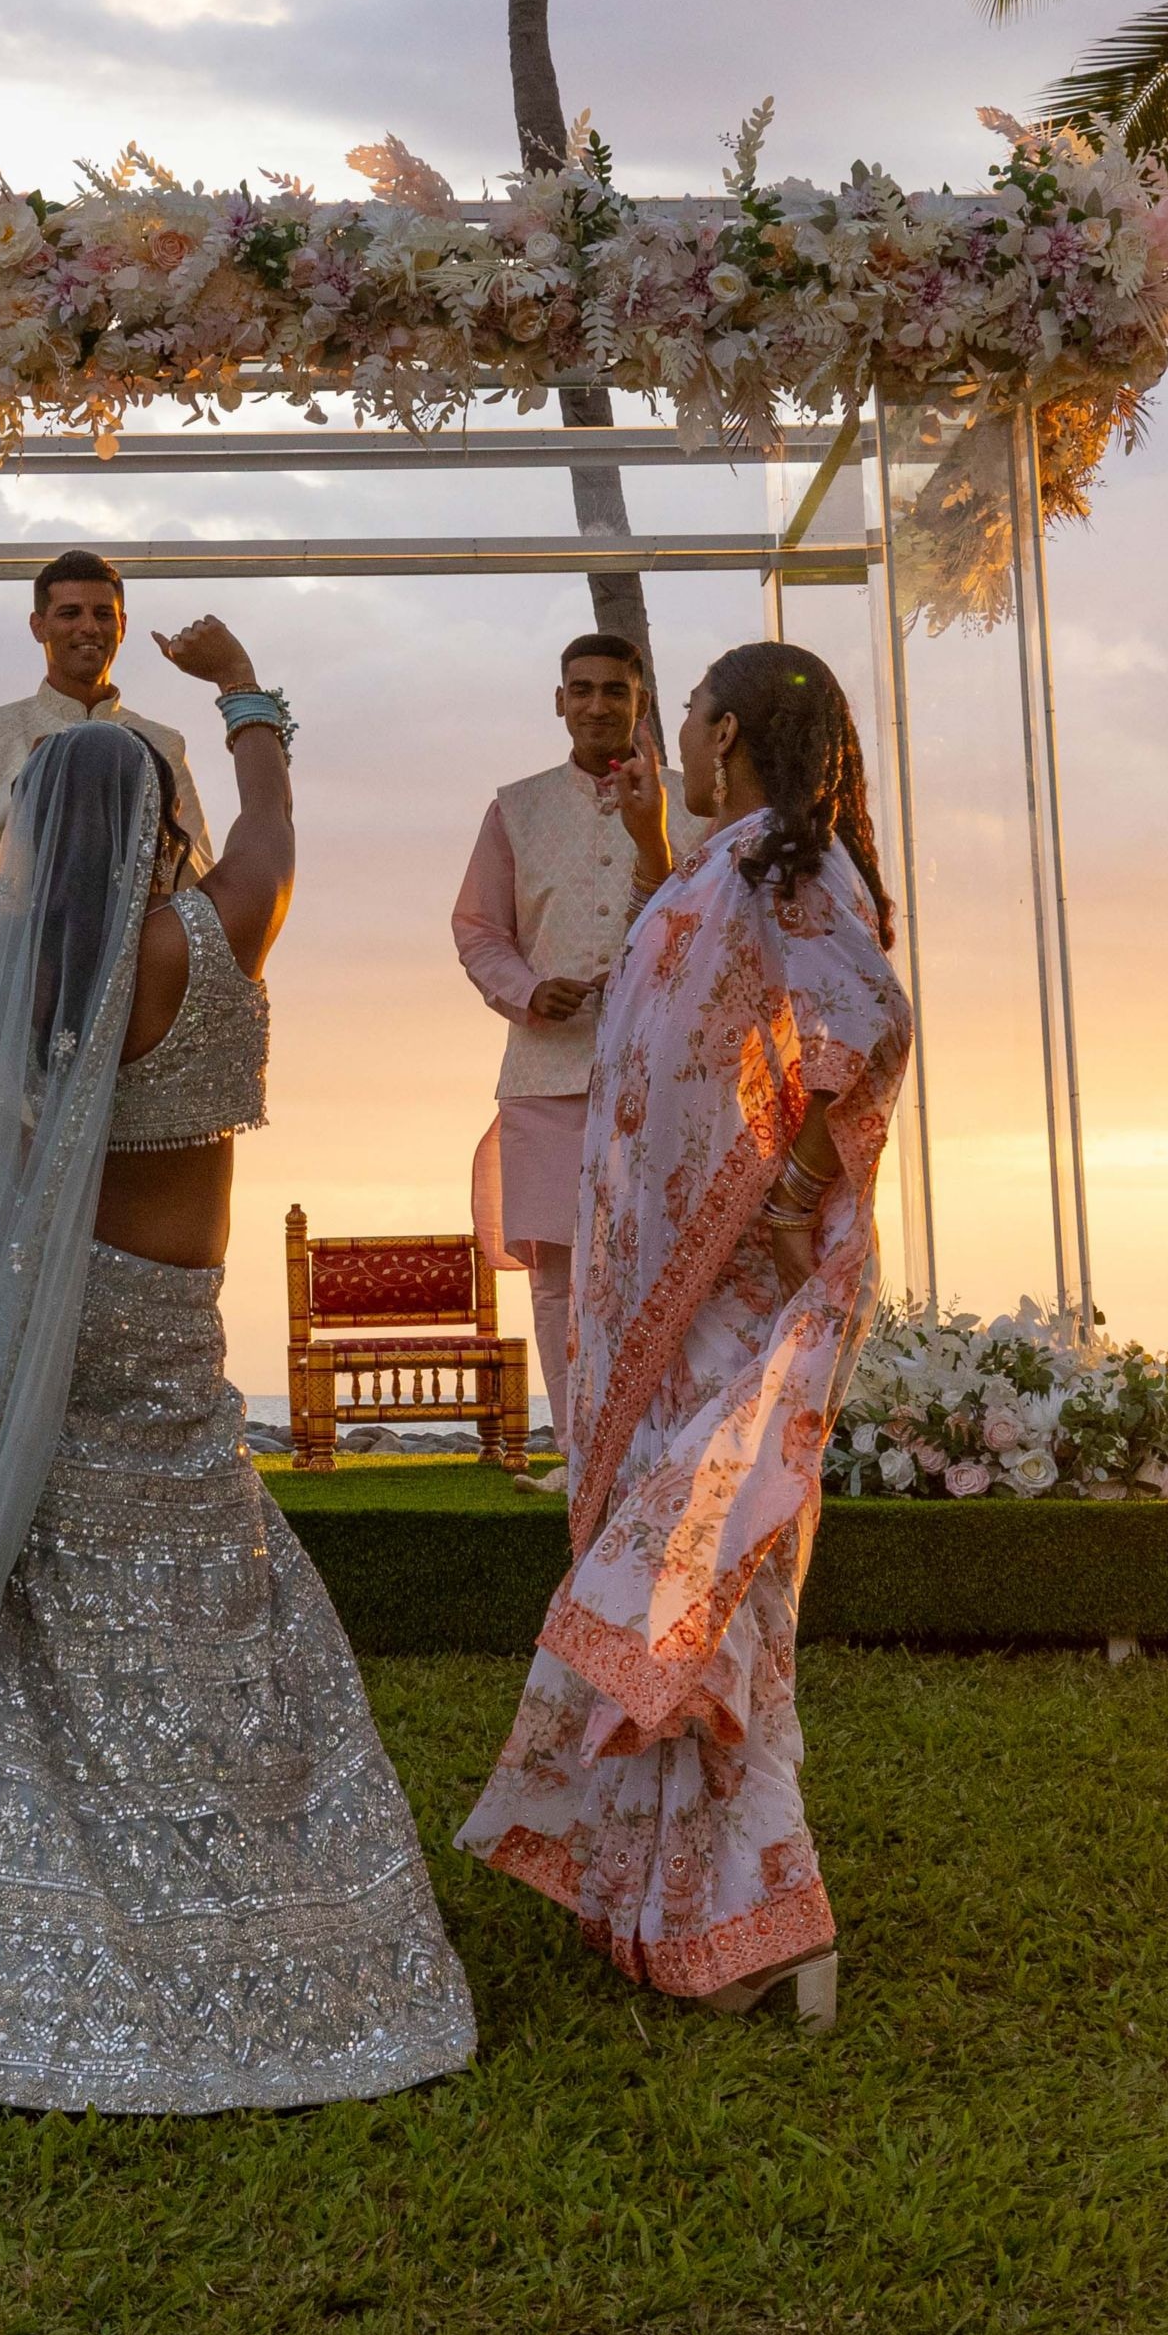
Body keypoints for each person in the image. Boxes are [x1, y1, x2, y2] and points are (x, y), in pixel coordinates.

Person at [0, 617, 477, 2116]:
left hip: (61, 1316)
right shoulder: (227, 930)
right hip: (178, 1323)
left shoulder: (38, 961)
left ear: (41, 835)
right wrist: (243, 697)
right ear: (169, 818)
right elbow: (274, 823)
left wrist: (38, 1140)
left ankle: (48, 1900)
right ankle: (266, 1895)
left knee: (52, 1598)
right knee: (210, 1574)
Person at [454, 641, 912, 2029]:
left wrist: (785, 1184)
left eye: (693, 715)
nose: (680, 734)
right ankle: (667, 1900)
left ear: (725, 733)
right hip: (668, 1296)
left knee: (714, 1592)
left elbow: (872, 1023)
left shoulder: (788, 868)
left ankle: (771, 1921)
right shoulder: (724, 862)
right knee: (682, 1591)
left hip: (729, 1291)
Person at [450, 631, 669, 1481]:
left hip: (662, 1077)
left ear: (639, 702)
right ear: (559, 701)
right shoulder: (517, 809)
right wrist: (529, 989)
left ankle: (655, 1452)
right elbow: (478, 929)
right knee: (556, 1275)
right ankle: (582, 1459)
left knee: (656, 1261)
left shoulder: (689, 807)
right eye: (581, 690)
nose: (596, 705)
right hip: (545, 1074)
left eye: (614, 691)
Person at [0, 548, 208, 902]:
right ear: (38, 626)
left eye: (103, 614)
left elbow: (199, 886)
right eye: (70, 613)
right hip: (16, 940)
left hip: (141, 939)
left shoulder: (162, 742)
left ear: (123, 626)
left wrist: (150, 813)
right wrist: (27, 783)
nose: (89, 627)